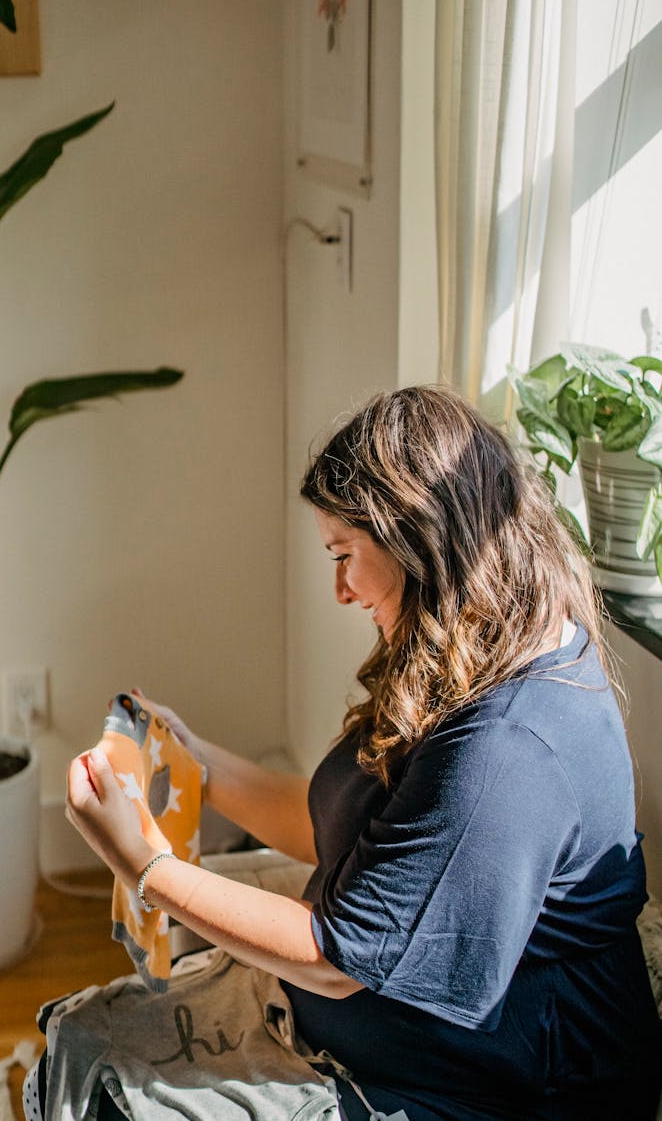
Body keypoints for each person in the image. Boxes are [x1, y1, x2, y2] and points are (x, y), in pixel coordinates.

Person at [39, 386, 660, 1120]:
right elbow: (335, 821)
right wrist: (193, 759)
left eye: (344, 554)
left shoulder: (509, 746)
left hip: (507, 1081)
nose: (339, 589)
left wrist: (145, 865)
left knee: (108, 1083)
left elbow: (336, 960)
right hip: (394, 1024)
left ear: (416, 540)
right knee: (82, 1043)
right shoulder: (468, 635)